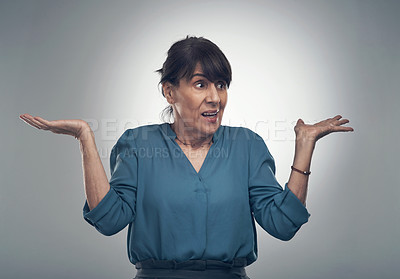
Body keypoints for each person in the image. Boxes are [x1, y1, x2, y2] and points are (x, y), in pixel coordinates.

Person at [19, 36, 354, 279]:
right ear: (169, 91)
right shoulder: (138, 144)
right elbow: (108, 221)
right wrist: (85, 139)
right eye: (200, 84)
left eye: (221, 85)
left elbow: (282, 225)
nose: (215, 98)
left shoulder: (247, 146)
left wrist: (305, 146)